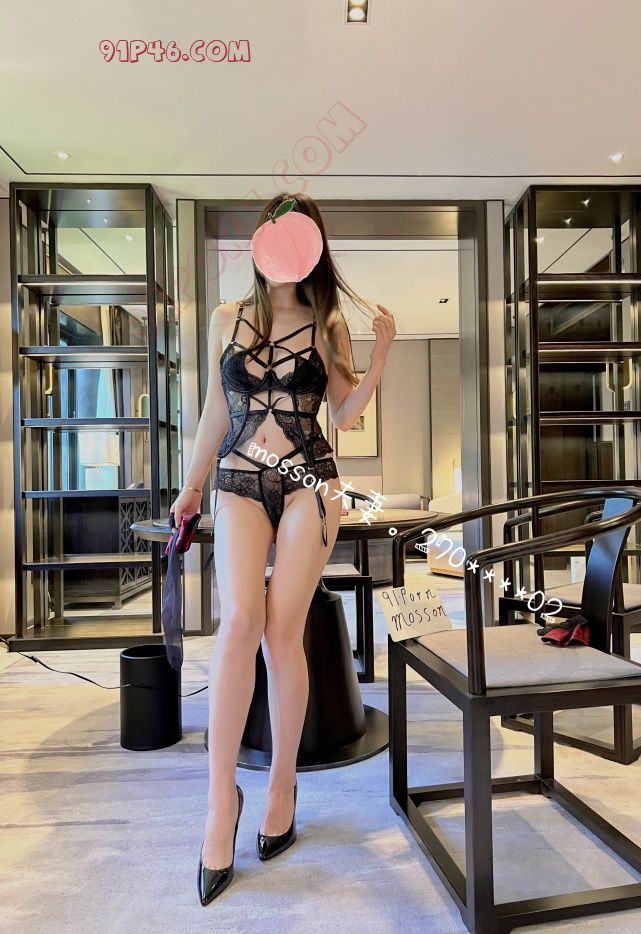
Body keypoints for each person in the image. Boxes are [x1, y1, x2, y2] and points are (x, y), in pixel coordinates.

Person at [168, 192, 396, 906]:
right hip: (239, 479)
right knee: (238, 623)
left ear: (311, 247)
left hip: (310, 482)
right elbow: (215, 411)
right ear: (262, 242)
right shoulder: (226, 316)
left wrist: (380, 354)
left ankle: (282, 785)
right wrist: (191, 486)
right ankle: (220, 802)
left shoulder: (327, 323)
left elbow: (345, 414)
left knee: (281, 632)